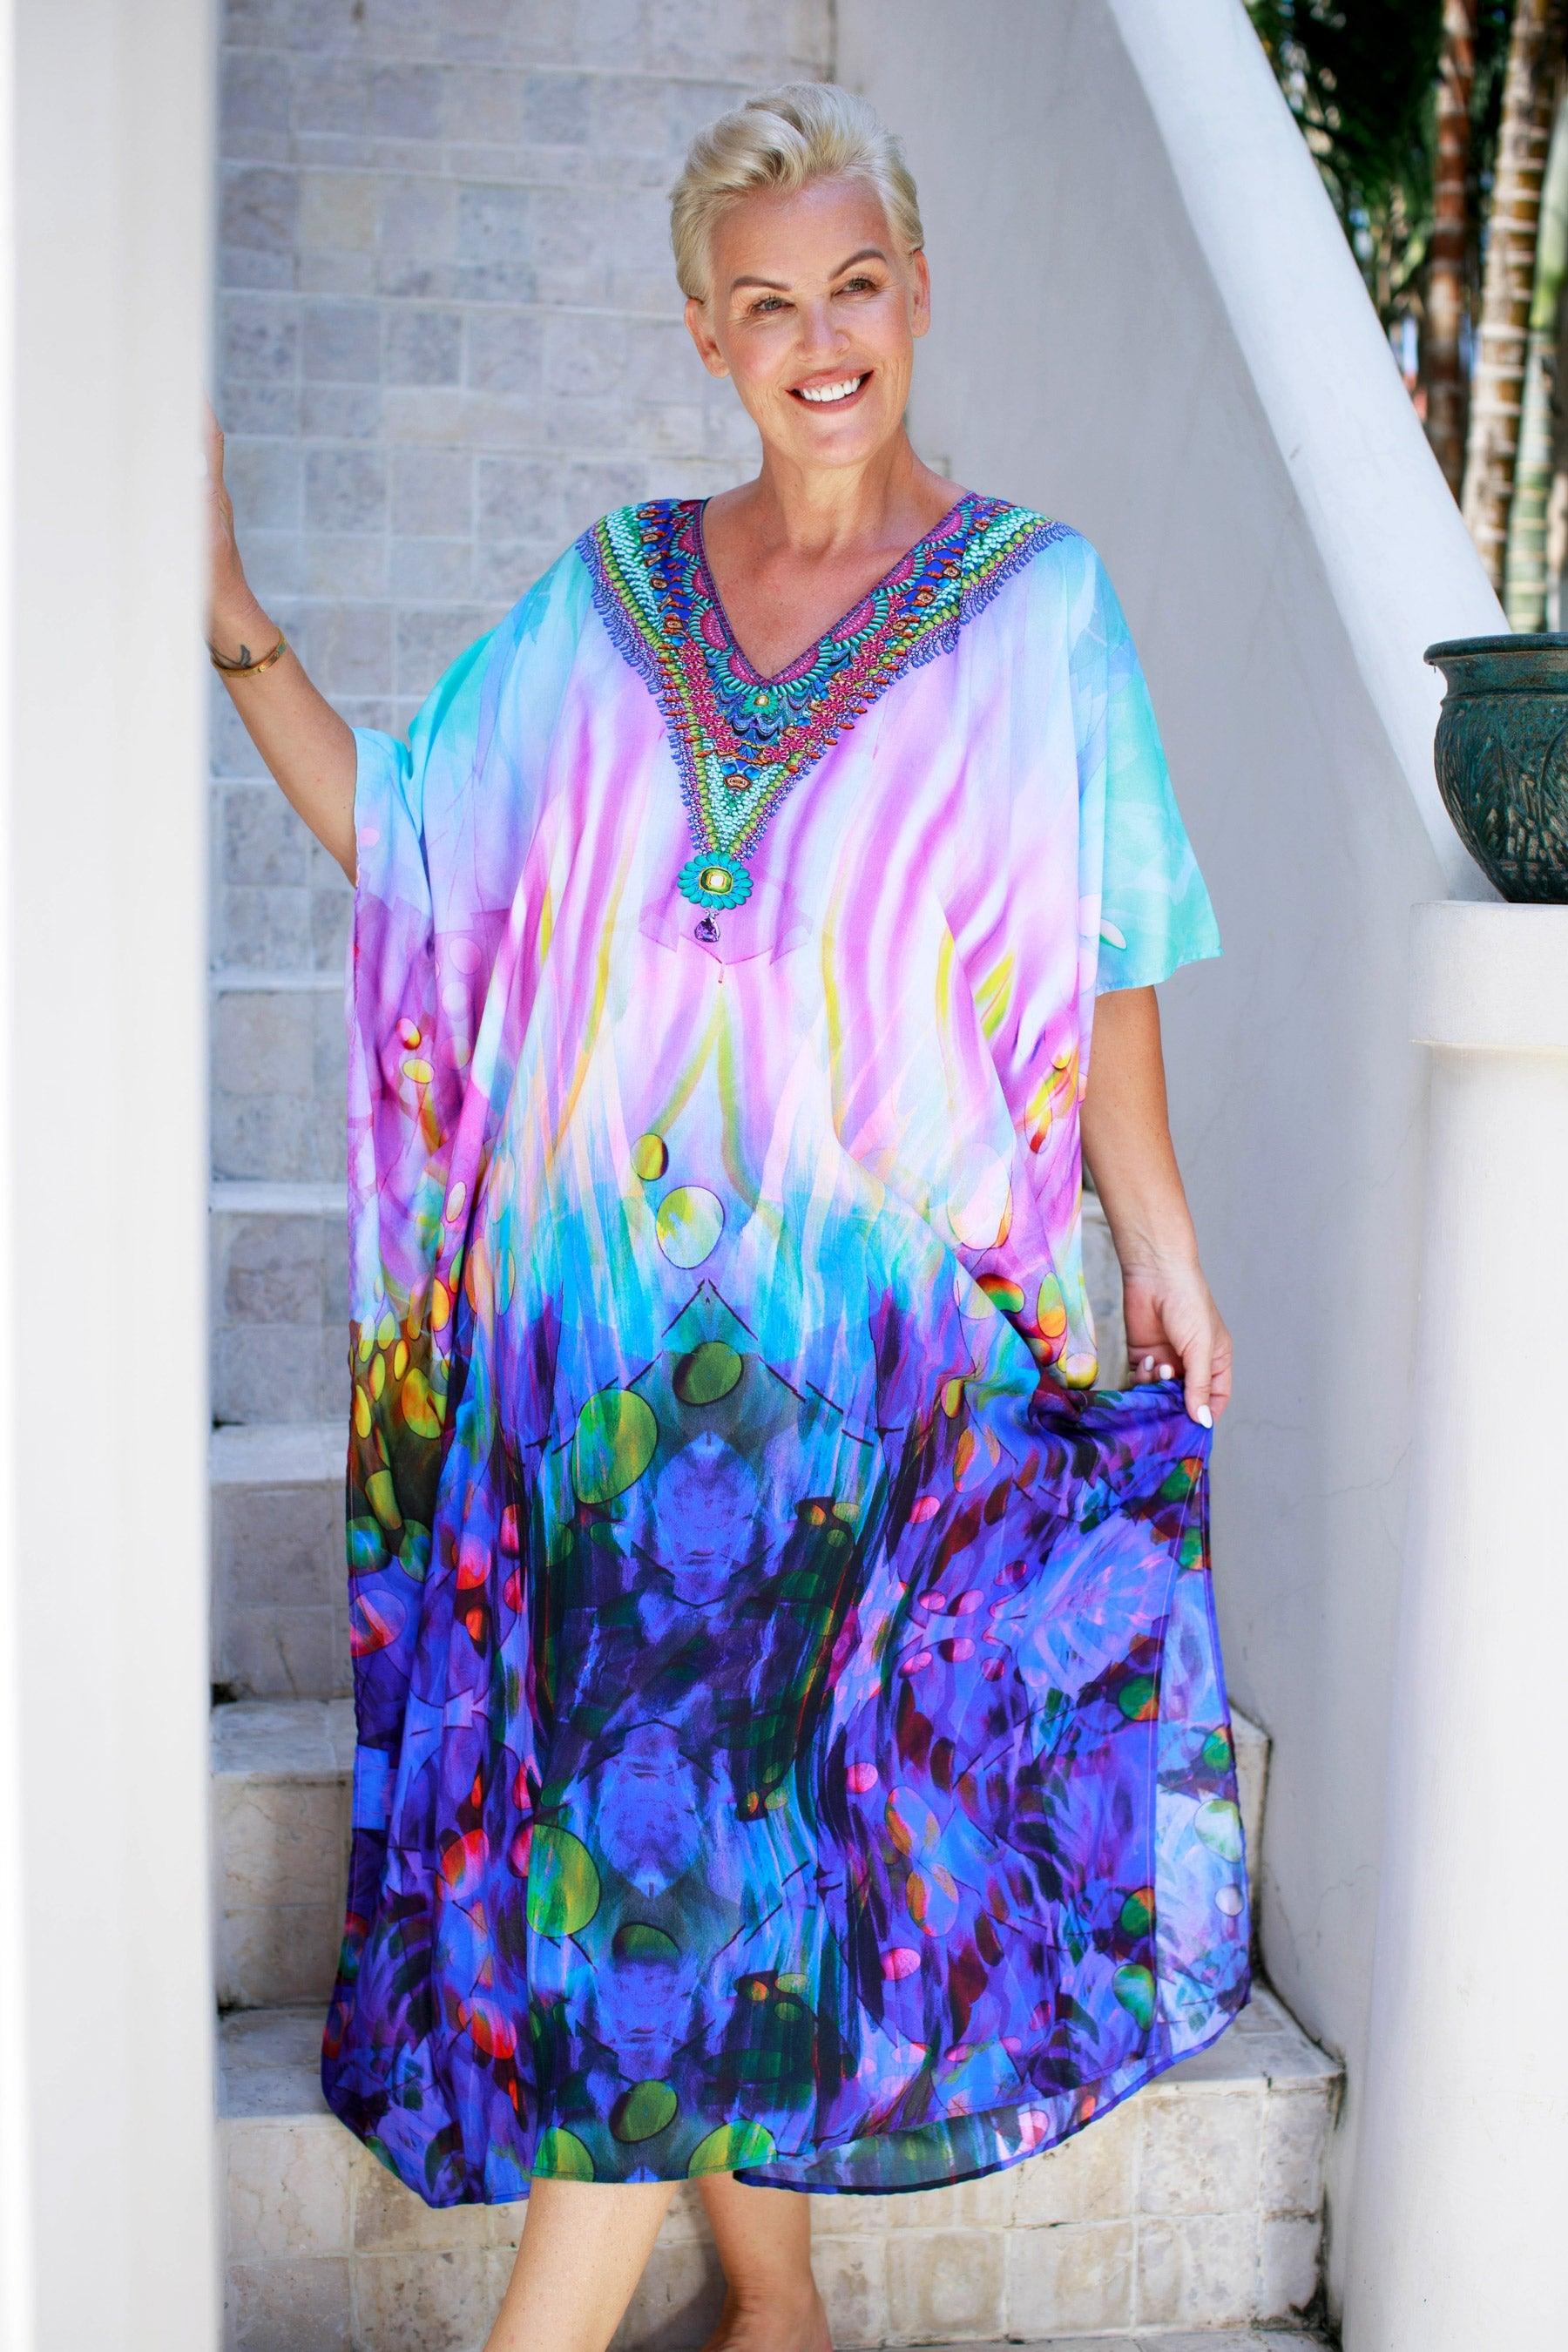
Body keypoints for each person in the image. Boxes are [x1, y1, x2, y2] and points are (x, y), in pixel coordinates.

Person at [204, 78, 1245, 2352]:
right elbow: (427, 847)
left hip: (892, 1347)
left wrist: (1152, 1225)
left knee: (671, 1849)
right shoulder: (614, 595)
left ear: (921, 291)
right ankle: (771, 2290)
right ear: (705, 333)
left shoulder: (1036, 606)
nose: (823, 337)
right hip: (629, 1358)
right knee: (684, 1817)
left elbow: (1105, 939)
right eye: (769, 302)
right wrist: (237, 628)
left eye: (857, 283)